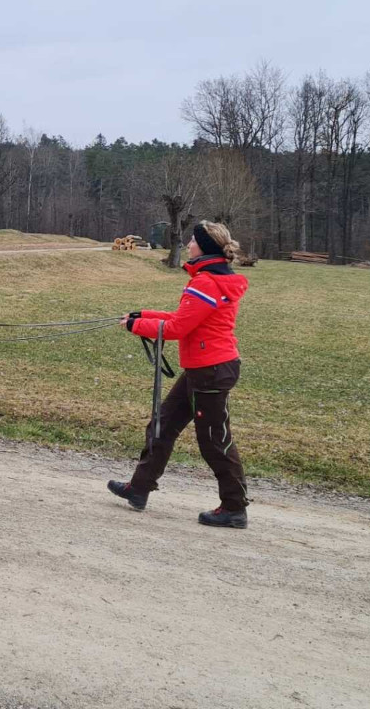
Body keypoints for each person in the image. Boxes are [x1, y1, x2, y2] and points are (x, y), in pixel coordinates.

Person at [108, 220, 251, 528]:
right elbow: (183, 318)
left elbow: (176, 328)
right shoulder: (210, 279)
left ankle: (234, 507)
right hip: (203, 369)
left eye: (193, 241)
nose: (188, 245)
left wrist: (136, 326)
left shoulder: (207, 282)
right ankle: (139, 487)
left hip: (211, 371)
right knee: (162, 423)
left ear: (205, 247)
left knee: (214, 441)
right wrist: (142, 315)